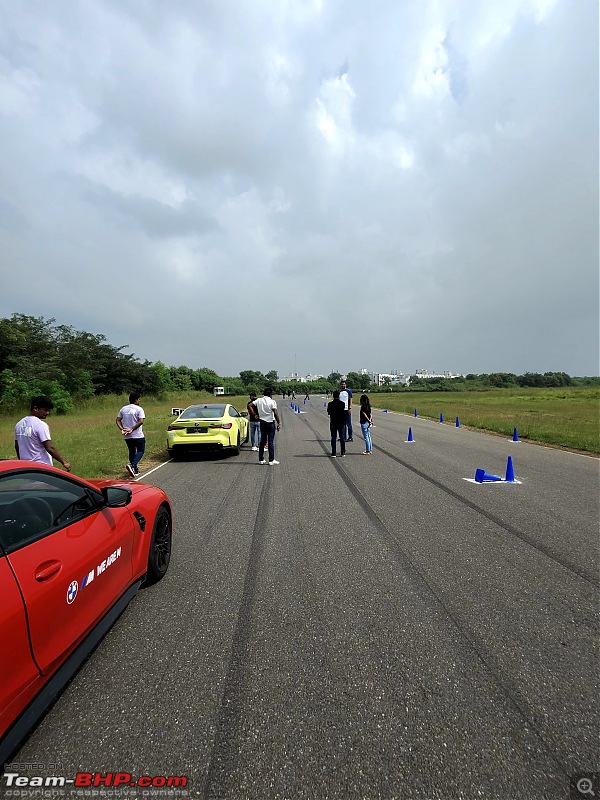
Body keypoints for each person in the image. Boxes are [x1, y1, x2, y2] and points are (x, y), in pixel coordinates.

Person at [14, 396, 71, 471]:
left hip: (26, 468)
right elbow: (50, 448)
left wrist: (22, 461)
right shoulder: (40, 425)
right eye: (45, 410)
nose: (47, 413)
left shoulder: (19, 424)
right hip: (41, 468)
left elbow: (17, 446)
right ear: (35, 408)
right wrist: (64, 462)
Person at [116, 392, 145, 478]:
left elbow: (117, 420)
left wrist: (122, 429)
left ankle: (135, 469)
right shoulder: (139, 409)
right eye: (139, 399)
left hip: (127, 435)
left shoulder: (123, 409)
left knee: (132, 451)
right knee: (141, 450)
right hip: (137, 435)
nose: (140, 400)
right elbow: (141, 421)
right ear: (136, 400)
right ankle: (132, 465)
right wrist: (132, 429)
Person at [250, 388, 281, 465]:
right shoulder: (272, 402)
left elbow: (250, 405)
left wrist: (254, 414)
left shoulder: (259, 400)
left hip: (262, 422)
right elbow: (275, 413)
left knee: (262, 441)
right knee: (270, 441)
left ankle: (261, 459)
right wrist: (278, 423)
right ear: (270, 394)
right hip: (270, 422)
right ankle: (271, 460)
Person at [327, 390, 346, 458]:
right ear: (339, 396)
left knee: (333, 437)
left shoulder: (330, 404)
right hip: (341, 422)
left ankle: (334, 452)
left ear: (333, 396)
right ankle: (343, 452)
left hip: (333, 422)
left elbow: (329, 412)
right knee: (342, 437)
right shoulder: (342, 404)